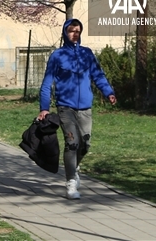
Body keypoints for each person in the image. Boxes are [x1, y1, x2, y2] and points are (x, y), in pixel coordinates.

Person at [37, 18, 116, 200]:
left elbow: (98, 75)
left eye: (78, 31)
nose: (75, 34)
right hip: (66, 107)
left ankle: (75, 166)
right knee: (72, 143)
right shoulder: (57, 56)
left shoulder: (87, 54)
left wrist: (108, 92)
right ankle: (71, 181)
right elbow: (47, 83)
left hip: (85, 108)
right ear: (65, 32)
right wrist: (44, 108)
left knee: (85, 144)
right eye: (71, 30)